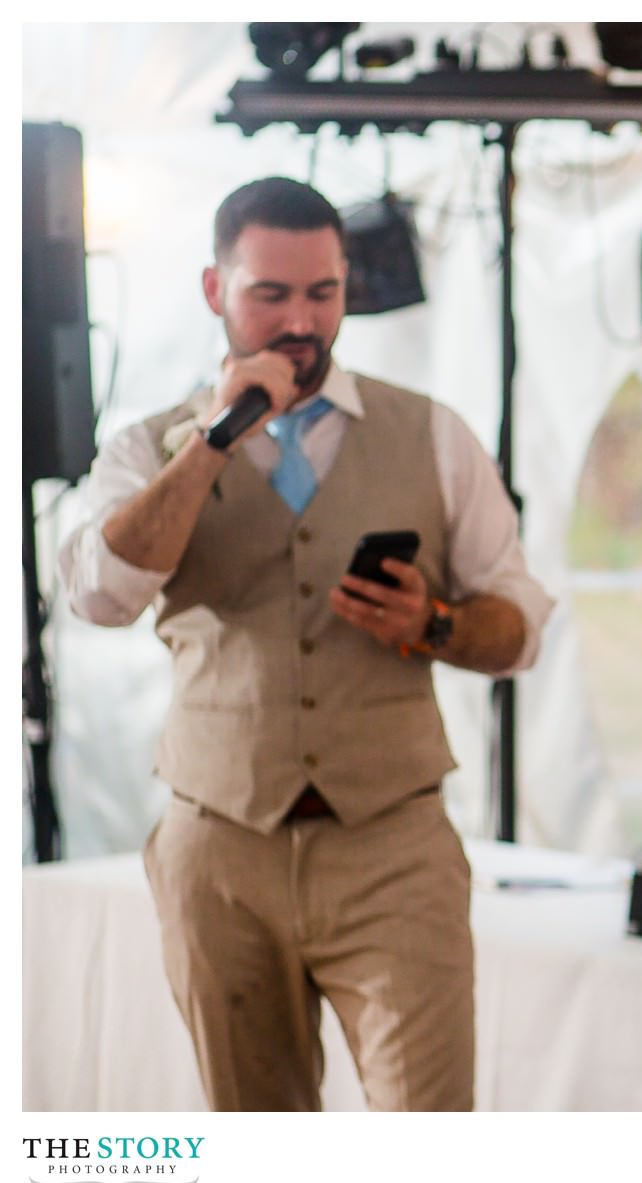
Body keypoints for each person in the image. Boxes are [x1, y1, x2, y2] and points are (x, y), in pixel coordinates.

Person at [57, 176, 555, 1112]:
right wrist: (213, 440)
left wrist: (435, 624)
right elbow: (96, 593)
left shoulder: (433, 435)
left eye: (322, 293)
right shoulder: (148, 446)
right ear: (216, 291)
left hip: (393, 848)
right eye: (270, 295)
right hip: (219, 851)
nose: (301, 321)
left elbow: (521, 623)